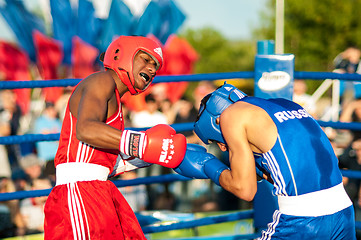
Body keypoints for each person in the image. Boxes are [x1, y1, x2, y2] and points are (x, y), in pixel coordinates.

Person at [44, 36, 187, 240]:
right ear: (122, 54)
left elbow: (98, 161)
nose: (152, 69)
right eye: (146, 59)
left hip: (98, 189)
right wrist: (143, 144)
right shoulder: (100, 80)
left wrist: (148, 155)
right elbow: (85, 129)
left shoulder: (116, 103)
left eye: (155, 65)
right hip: (78, 192)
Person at [175, 82, 356, 239]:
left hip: (302, 219)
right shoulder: (285, 104)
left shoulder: (230, 115)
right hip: (343, 210)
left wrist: (207, 164)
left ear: (217, 122)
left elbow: (245, 190)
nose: (223, 147)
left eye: (218, 142)